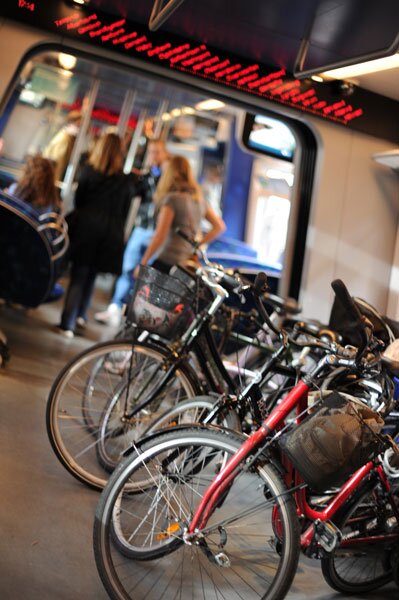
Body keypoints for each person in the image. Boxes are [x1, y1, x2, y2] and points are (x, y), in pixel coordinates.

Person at [58, 132, 135, 338]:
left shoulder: (88, 172)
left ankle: (68, 322)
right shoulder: (125, 182)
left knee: (78, 275)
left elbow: (79, 200)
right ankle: (82, 315)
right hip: (109, 233)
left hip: (85, 228)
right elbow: (125, 211)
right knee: (92, 275)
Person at [94, 138, 169, 326]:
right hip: (142, 227)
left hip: (158, 233)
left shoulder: (169, 180)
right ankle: (116, 307)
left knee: (146, 276)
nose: (154, 156)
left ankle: (133, 314)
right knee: (127, 270)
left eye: (157, 152)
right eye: (151, 152)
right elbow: (133, 192)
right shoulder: (146, 177)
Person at [134, 155, 226, 277]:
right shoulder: (199, 200)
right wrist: (197, 245)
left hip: (167, 261)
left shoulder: (172, 200)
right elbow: (219, 226)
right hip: (185, 265)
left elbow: (160, 236)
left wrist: (143, 263)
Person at [43, 110, 82, 181]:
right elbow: (57, 161)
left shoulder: (68, 137)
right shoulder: (64, 138)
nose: (80, 127)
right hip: (54, 176)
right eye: (79, 124)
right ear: (72, 122)